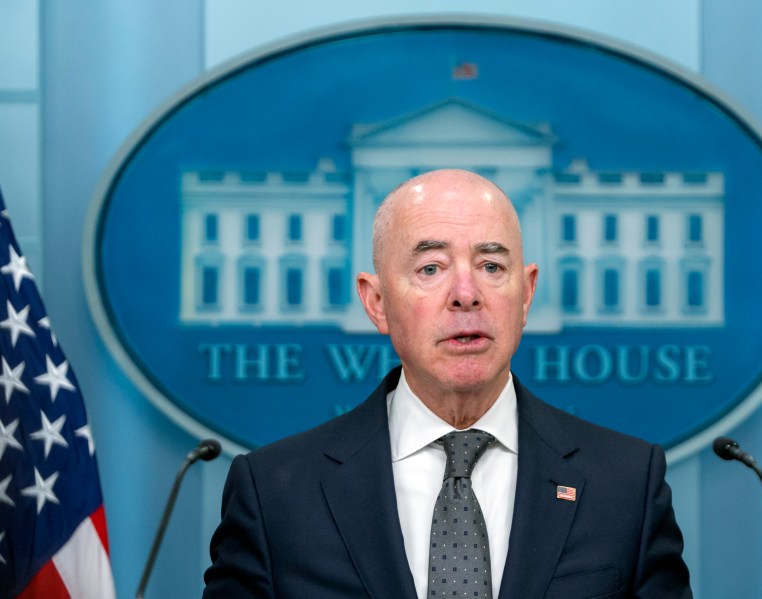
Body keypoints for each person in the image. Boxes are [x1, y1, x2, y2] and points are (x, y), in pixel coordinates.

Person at [202, 169, 692, 598]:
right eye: (431, 268)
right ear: (376, 303)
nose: (466, 294)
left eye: (491, 266)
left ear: (526, 295)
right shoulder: (274, 494)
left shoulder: (626, 484)